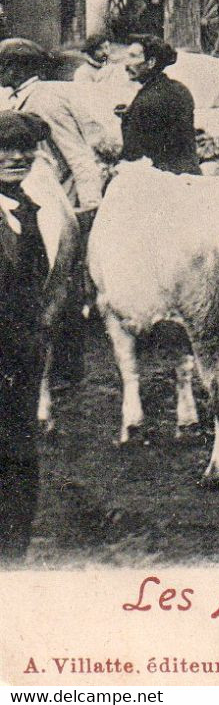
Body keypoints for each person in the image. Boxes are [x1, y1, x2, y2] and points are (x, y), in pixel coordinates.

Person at [0, 112, 54, 563]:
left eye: (25, 148)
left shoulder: (27, 211)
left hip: (19, 365)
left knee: (18, 460)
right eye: (4, 148)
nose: (16, 157)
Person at [0, 39, 107, 210]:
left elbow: (78, 155)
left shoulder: (44, 99)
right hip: (43, 192)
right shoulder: (23, 97)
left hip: (63, 196)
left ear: (15, 69)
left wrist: (91, 206)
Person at [114, 35, 200, 176]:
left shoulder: (145, 101)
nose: (126, 64)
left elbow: (132, 153)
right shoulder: (180, 89)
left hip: (159, 180)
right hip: (191, 172)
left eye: (133, 57)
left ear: (151, 62)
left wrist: (129, 117)